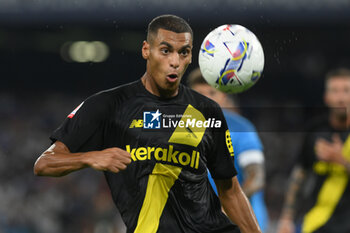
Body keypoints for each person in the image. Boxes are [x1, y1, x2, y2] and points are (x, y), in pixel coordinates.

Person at [34, 15, 261, 233]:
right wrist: (91, 157)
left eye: (183, 52)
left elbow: (229, 191)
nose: (174, 61)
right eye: (165, 51)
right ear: (146, 50)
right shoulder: (109, 105)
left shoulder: (206, 110)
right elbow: (44, 163)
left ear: (191, 57)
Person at [187, 68, 269, 232]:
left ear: (223, 97)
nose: (205, 99)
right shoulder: (182, 130)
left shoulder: (242, 128)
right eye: (199, 94)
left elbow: (257, 177)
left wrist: (225, 207)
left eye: (212, 93)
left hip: (240, 223)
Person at [277, 68, 350, 233]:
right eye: (335, 91)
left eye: (346, 90)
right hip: (317, 224)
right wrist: (286, 218)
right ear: (326, 97)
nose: (340, 98)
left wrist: (341, 160)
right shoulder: (316, 131)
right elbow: (299, 174)